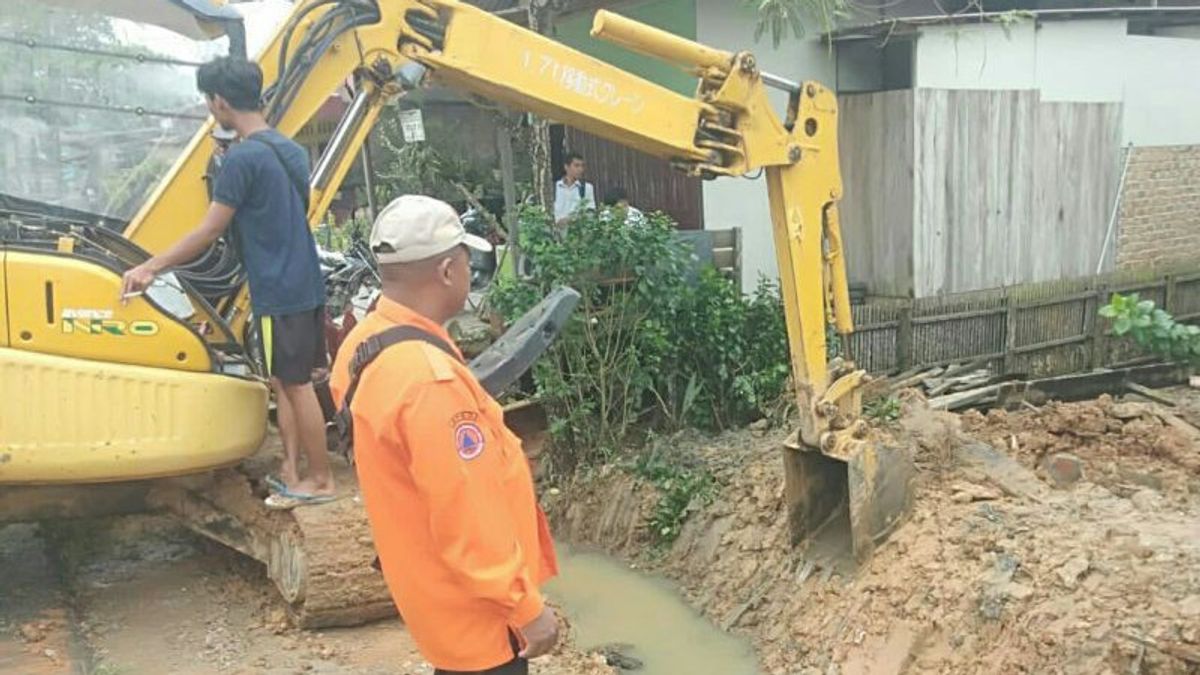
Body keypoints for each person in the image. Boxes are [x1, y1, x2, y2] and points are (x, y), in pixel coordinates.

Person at [330, 195, 560, 675]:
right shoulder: (431, 383)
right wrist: (524, 608)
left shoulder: (366, 342)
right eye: (464, 258)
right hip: (478, 615)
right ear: (448, 271)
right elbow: (468, 515)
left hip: (431, 593)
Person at [120, 57, 334, 509]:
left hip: (279, 288)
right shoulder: (289, 150)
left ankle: (320, 480)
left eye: (208, 101)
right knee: (282, 380)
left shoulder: (242, 158)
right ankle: (292, 470)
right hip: (303, 281)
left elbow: (209, 230)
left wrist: (150, 267)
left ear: (219, 101)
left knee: (295, 385)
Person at [552, 151, 595, 225]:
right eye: (576, 166)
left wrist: (570, 220)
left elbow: (590, 213)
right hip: (556, 232)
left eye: (582, 166)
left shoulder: (586, 188)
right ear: (566, 167)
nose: (580, 169)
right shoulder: (554, 187)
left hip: (576, 232)